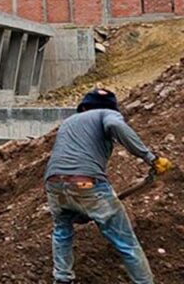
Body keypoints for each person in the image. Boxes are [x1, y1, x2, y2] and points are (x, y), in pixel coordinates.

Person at [44, 88, 173, 284]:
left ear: (84, 106)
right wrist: (150, 158)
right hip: (87, 183)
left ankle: (62, 279)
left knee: (62, 232)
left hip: (54, 183)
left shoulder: (68, 122)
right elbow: (114, 124)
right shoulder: (107, 114)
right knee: (125, 241)